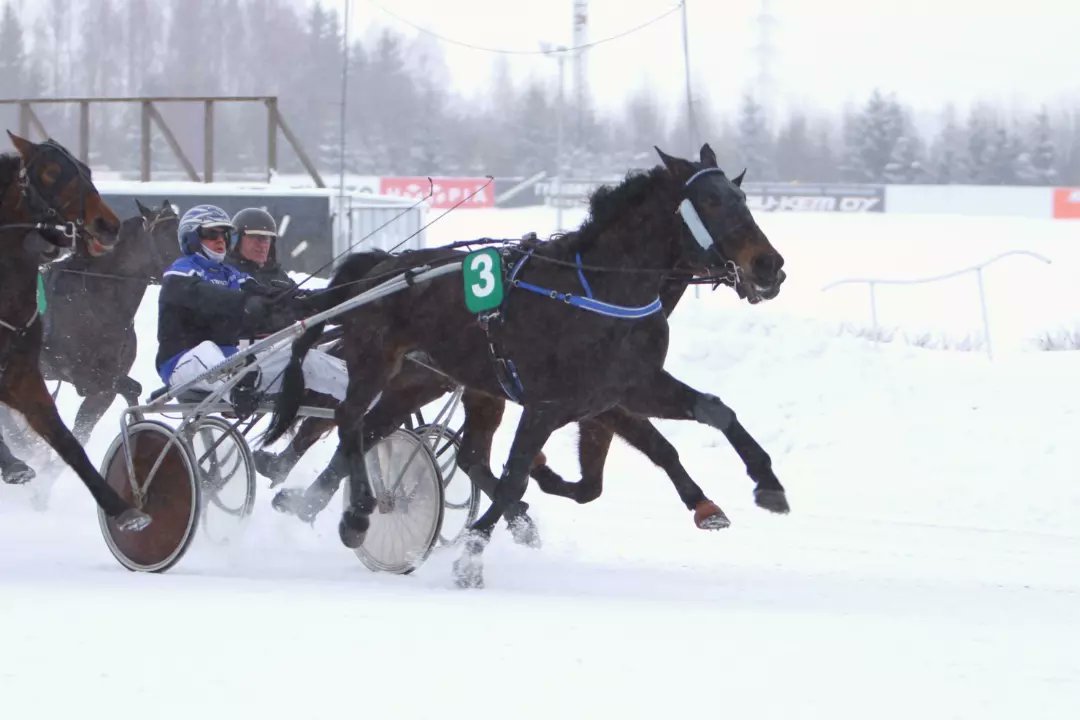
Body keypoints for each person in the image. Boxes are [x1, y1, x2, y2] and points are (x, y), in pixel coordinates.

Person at [156, 204, 345, 402]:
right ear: (192, 238)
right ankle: (238, 392)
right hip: (183, 363)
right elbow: (207, 297)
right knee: (207, 350)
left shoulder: (233, 276)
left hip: (237, 363)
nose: (220, 240)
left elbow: (275, 296)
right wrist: (246, 304)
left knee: (307, 361)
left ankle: (371, 402)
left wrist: (325, 300)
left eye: (225, 235)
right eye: (212, 234)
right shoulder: (180, 273)